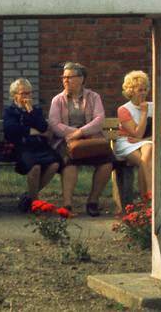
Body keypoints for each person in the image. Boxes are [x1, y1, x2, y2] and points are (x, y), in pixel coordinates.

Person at [48, 62, 113, 217]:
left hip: (91, 139)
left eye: (69, 77)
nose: (65, 80)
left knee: (107, 163)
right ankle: (67, 205)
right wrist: (75, 133)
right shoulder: (57, 100)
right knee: (69, 163)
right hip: (66, 140)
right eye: (64, 77)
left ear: (81, 79)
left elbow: (99, 118)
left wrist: (82, 132)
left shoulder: (94, 97)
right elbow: (54, 123)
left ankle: (92, 201)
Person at [3, 77, 61, 212]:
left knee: (54, 164)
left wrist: (31, 112)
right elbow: (11, 130)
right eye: (23, 93)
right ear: (14, 95)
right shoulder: (9, 111)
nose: (27, 96)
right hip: (21, 147)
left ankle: (28, 197)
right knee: (35, 167)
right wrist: (30, 130)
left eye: (29, 93)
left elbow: (42, 127)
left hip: (38, 146)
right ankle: (35, 204)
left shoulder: (35, 110)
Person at [113, 70, 154, 198]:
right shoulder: (123, 109)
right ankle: (148, 196)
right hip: (127, 142)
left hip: (145, 141)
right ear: (131, 91)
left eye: (145, 89)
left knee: (148, 149)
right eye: (139, 90)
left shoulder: (153, 106)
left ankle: (147, 196)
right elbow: (136, 134)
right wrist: (143, 113)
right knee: (145, 161)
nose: (143, 93)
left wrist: (144, 139)